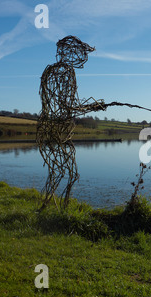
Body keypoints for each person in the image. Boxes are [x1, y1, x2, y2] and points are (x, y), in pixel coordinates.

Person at [37, 35, 106, 211]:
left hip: (50, 127)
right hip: (56, 129)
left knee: (59, 171)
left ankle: (49, 207)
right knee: (66, 172)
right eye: (81, 52)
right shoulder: (65, 72)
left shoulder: (49, 71)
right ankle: (60, 211)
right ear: (66, 51)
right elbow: (66, 105)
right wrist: (94, 106)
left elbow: (60, 104)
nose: (84, 57)